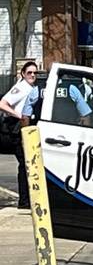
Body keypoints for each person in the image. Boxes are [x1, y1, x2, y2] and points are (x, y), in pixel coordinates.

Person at [1, 61, 40, 211]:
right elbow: (3, 103)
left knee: (28, 164)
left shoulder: (32, 88)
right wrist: (18, 115)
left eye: (35, 73)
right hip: (17, 129)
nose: (32, 75)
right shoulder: (21, 87)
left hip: (26, 127)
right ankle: (24, 201)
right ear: (23, 74)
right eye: (29, 72)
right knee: (24, 165)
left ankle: (27, 198)